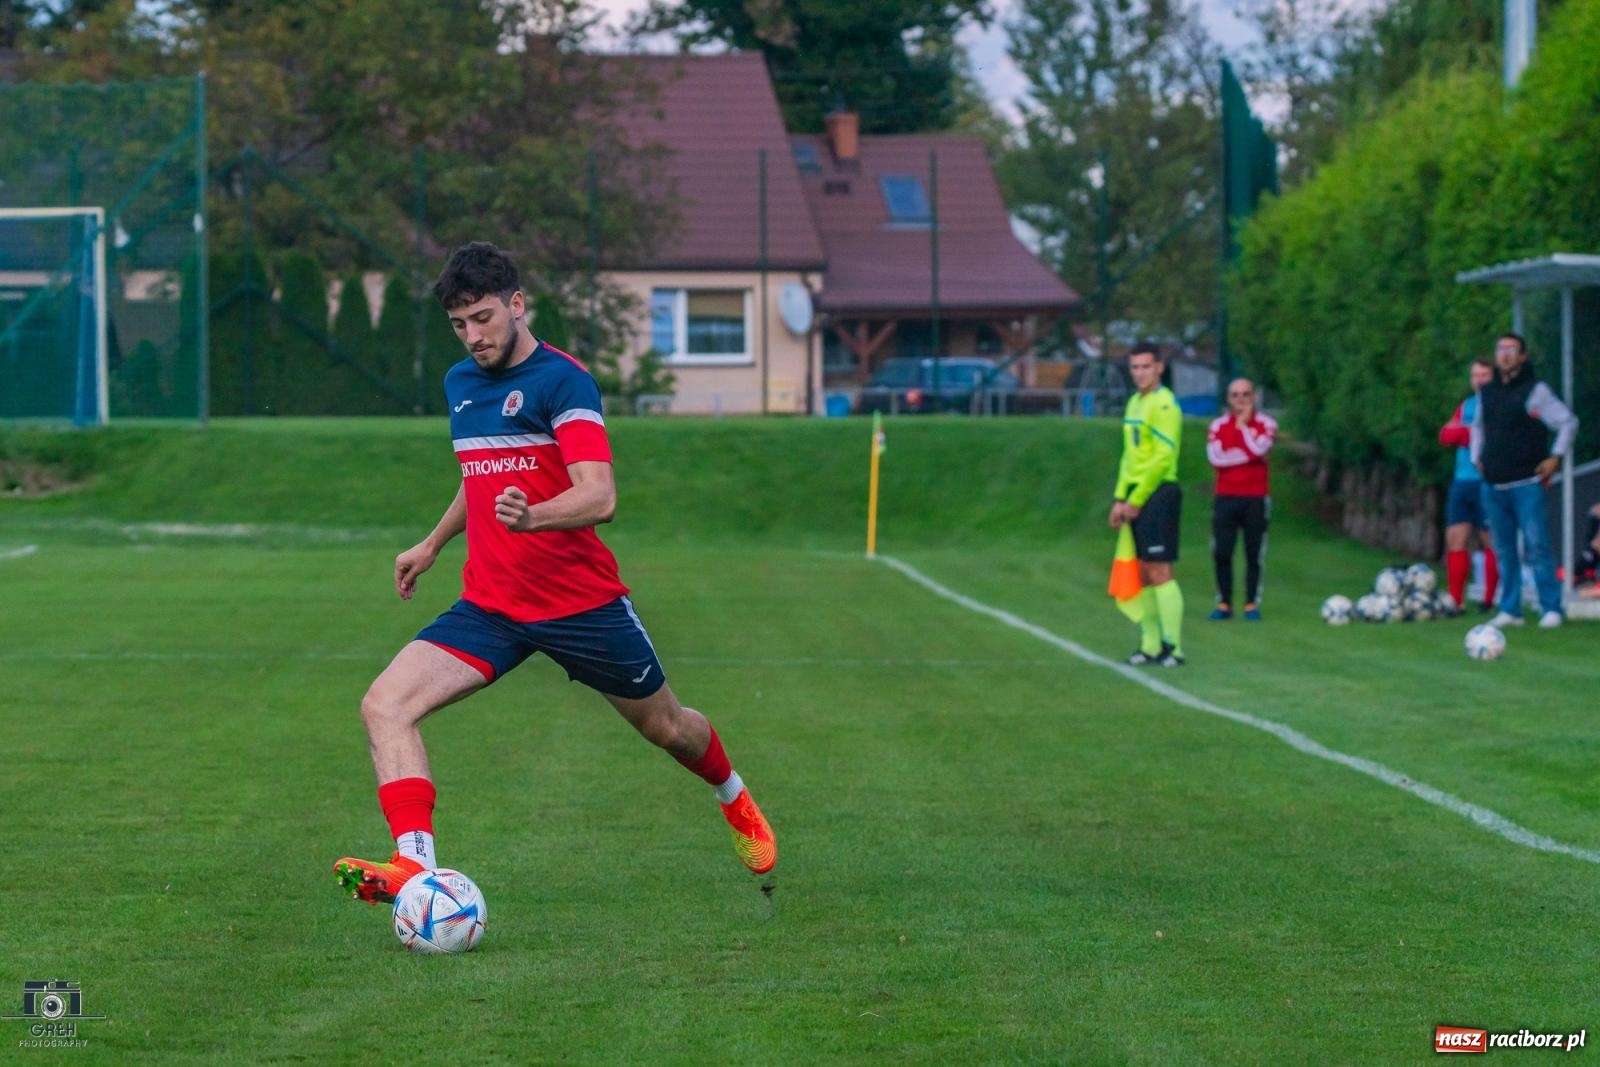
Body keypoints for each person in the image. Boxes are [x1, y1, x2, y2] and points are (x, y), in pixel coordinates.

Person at [333, 242, 776, 905]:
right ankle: (414, 867)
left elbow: (600, 495)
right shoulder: (461, 384)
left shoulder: (563, 381)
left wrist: (533, 516)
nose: (473, 336)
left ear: (517, 303)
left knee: (669, 727)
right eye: (459, 324)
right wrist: (431, 543)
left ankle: (732, 794)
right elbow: (478, 473)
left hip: (581, 605)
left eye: (483, 317)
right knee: (385, 705)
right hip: (491, 606)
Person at [1470, 332, 1578, 629]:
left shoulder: (1535, 390)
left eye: (1511, 350)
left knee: (1537, 545)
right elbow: (1477, 426)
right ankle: (1511, 609)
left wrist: (1555, 456)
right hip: (1493, 483)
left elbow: (1567, 421)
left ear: (1522, 356)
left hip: (1526, 482)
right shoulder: (1487, 391)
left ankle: (1551, 607)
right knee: (1504, 548)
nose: (1505, 355)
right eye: (1501, 349)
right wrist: (1477, 457)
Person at [1111, 343, 1186, 666]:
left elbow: (1162, 457)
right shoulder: (1134, 403)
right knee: (1141, 571)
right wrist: (1119, 498)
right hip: (1135, 495)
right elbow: (1131, 456)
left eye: (1146, 366)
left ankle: (1174, 647)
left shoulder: (1165, 405)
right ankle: (1150, 644)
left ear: (1159, 367)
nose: (1140, 373)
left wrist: (1137, 498)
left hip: (1159, 493)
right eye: (1135, 368)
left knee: (1160, 569)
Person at [1206, 378, 1276, 620]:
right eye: (1235, 395)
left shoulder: (1266, 423)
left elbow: (1259, 450)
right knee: (1222, 551)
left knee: (1253, 553)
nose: (1241, 400)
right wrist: (1247, 455)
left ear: (1253, 396)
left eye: (1245, 394)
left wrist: (1243, 428)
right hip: (1225, 497)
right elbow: (1216, 458)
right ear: (1228, 398)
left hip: (1255, 497)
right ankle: (1224, 602)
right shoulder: (1217, 426)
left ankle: (1251, 604)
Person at [1437, 359, 1500, 613]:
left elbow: (1486, 436)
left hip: (1487, 481)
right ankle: (1456, 600)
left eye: (1485, 375)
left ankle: (1489, 599)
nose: (1479, 380)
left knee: (1490, 539)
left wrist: (1467, 433)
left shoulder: (1499, 404)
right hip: (1462, 480)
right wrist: (1467, 432)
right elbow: (1446, 434)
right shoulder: (1467, 405)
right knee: (1455, 538)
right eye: (1475, 375)